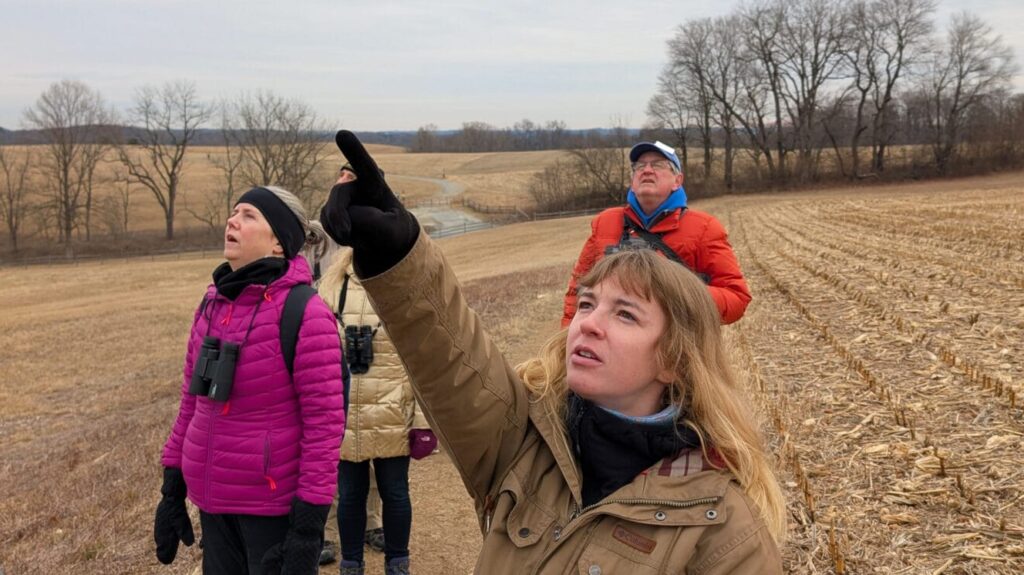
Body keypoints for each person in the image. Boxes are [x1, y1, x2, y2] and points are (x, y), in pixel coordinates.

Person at [319, 131, 786, 574]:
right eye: (591, 306)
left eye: (624, 315)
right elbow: (451, 361)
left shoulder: (723, 529)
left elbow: (736, 296)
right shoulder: (525, 441)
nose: (591, 323)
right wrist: (396, 254)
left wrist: (683, 305)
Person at [155, 185, 346, 574]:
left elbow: (325, 428)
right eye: (234, 212)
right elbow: (191, 403)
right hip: (213, 502)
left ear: (279, 242)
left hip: (270, 511)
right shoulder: (212, 304)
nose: (232, 220)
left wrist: (308, 529)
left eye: (248, 215)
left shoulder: (306, 314)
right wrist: (172, 487)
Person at [316, 243, 435, 575]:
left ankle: (397, 563)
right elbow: (318, 357)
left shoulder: (405, 288)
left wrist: (423, 422)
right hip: (345, 414)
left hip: (392, 412)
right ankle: (351, 563)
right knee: (350, 494)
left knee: (395, 493)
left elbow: (422, 363)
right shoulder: (331, 287)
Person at [562, 140, 751, 327]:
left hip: (671, 351)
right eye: (639, 166)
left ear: (677, 181)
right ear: (632, 182)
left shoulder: (704, 228)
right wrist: (569, 340)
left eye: (658, 165)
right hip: (608, 346)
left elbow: (737, 298)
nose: (647, 170)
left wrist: (675, 293)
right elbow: (577, 289)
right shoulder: (605, 222)